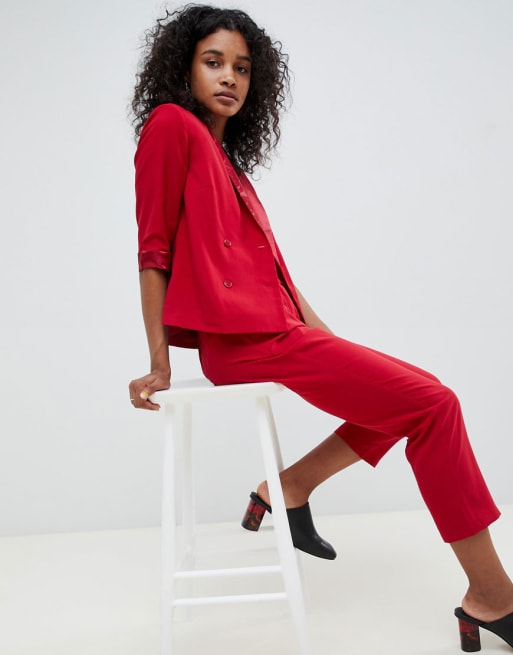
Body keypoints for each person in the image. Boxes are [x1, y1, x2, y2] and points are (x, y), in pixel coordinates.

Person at [128, 4, 513, 650]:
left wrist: (326, 337)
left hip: (277, 331)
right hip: (245, 344)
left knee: (412, 395)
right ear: (182, 68)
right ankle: (492, 596)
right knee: (434, 406)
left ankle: (288, 487)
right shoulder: (172, 126)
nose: (229, 77)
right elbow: (153, 251)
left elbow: (275, 275)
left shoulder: (227, 162)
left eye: (242, 68)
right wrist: (159, 363)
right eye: (213, 62)